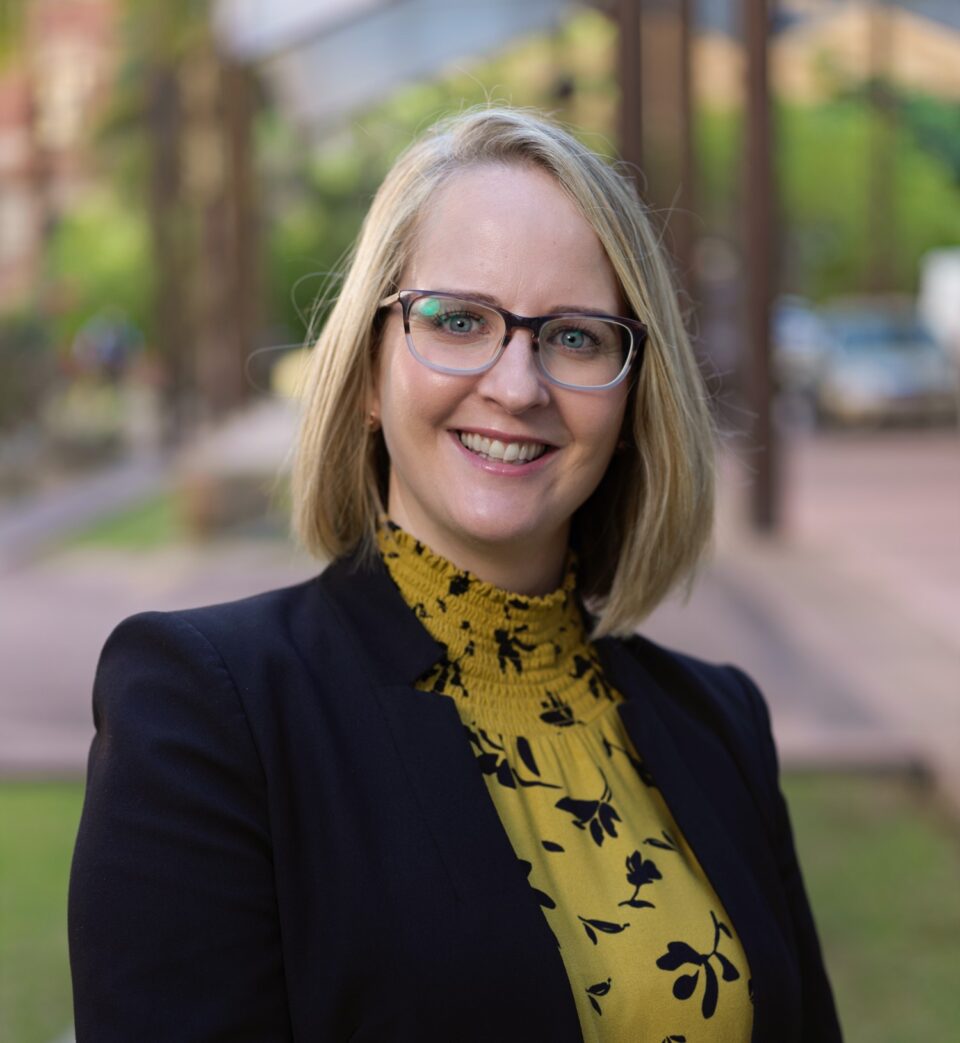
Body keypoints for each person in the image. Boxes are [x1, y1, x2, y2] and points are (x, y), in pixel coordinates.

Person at [69, 107, 841, 1042]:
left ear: (634, 399)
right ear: (368, 370)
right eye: (459, 320)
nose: (517, 386)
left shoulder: (721, 721)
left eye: (576, 337)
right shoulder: (208, 710)